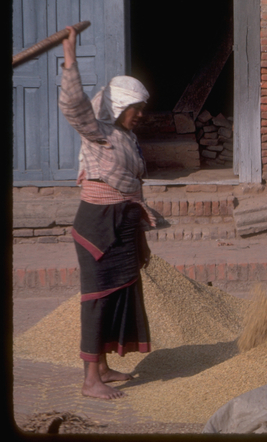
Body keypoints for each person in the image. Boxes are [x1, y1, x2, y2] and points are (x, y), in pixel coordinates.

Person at [59, 26, 156, 399]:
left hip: (123, 226)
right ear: (118, 107)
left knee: (119, 295)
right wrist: (70, 56)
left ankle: (102, 366)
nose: (141, 114)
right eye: (136, 108)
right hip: (98, 227)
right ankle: (89, 381)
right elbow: (74, 105)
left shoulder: (126, 138)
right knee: (97, 299)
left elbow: (134, 189)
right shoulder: (96, 132)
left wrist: (141, 242)